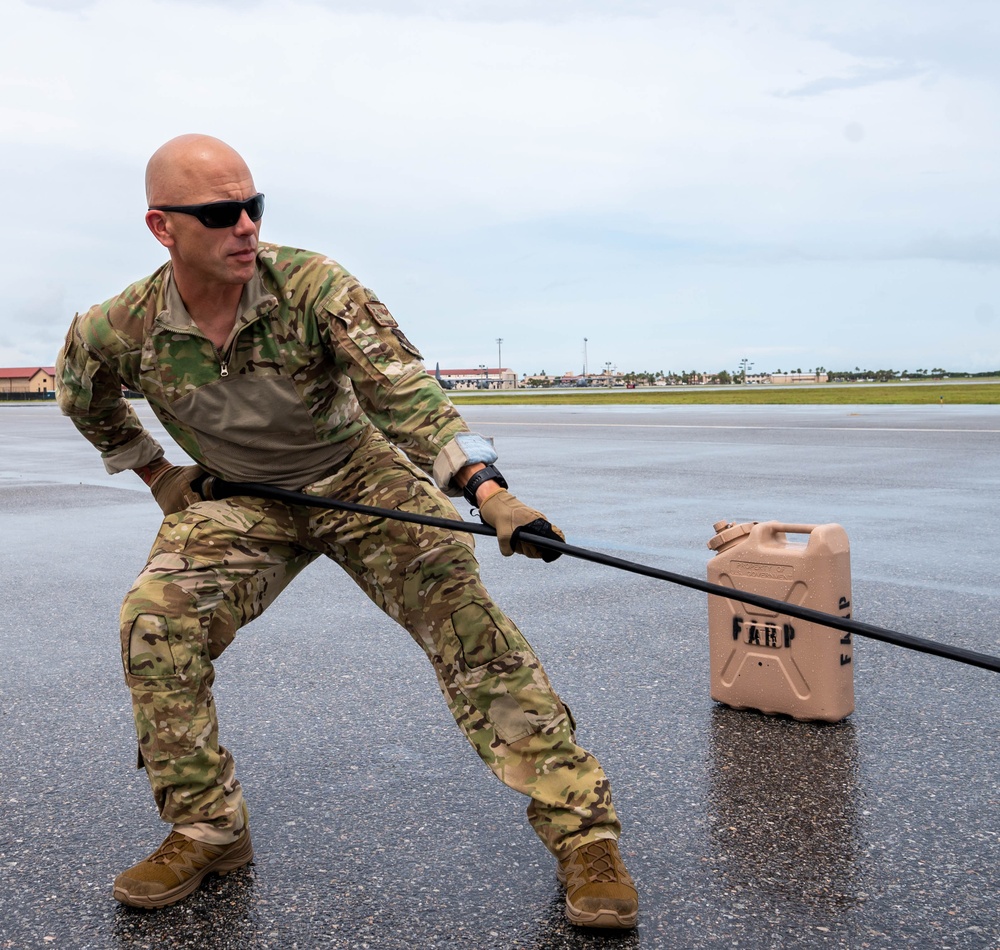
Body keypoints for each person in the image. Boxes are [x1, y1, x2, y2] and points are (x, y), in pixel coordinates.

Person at [56, 134, 638, 929]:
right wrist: (159, 474)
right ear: (164, 228)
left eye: (253, 206)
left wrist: (488, 492)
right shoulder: (118, 326)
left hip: (360, 478)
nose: (246, 227)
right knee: (155, 623)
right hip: (247, 499)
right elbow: (84, 397)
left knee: (468, 629)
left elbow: (404, 395)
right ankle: (206, 825)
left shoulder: (314, 288)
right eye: (221, 213)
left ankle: (585, 836)